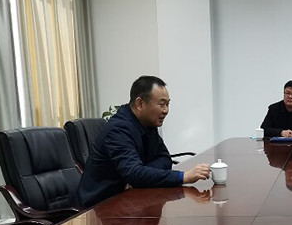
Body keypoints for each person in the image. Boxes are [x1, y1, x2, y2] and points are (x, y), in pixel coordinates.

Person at [76, 76, 210, 208]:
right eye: (161, 104)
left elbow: (164, 158)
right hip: (98, 207)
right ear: (140, 104)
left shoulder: (147, 123)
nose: (166, 110)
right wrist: (183, 176)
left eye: (168, 104)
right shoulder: (118, 129)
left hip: (129, 201)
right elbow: (134, 173)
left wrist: (142, 176)